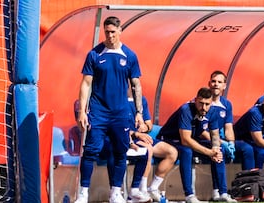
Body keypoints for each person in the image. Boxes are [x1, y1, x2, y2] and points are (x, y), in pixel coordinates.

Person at [75, 16, 144, 203]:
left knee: (121, 152)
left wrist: (139, 113)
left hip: (121, 113)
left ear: (120, 31)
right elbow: (86, 83)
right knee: (90, 151)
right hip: (98, 112)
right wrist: (82, 111)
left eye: (113, 32)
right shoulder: (95, 54)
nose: (110, 35)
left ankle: (115, 192)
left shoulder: (129, 56)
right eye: (107, 32)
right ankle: (83, 194)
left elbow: (136, 85)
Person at [156, 87, 225, 203]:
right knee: (187, 151)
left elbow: (215, 135)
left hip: (190, 140)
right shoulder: (186, 109)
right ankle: (189, 195)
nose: (204, 107)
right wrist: (209, 152)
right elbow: (185, 140)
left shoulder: (212, 111)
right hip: (170, 139)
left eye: (207, 104)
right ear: (196, 100)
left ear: (211, 103)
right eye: (201, 103)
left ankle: (222, 193)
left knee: (219, 150)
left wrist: (215, 149)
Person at [234, 87, 264, 177]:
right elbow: (259, 141)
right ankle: (251, 181)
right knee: (256, 151)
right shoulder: (255, 113)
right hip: (241, 138)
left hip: (255, 140)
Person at [207, 71, 237, 202]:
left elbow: (228, 127)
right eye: (214, 81)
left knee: (247, 149)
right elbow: (202, 130)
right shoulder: (204, 102)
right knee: (219, 150)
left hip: (218, 139)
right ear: (209, 83)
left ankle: (248, 187)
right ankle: (222, 192)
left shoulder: (227, 104)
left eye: (219, 82)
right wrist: (222, 143)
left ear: (224, 86)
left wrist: (231, 143)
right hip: (204, 138)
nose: (216, 84)